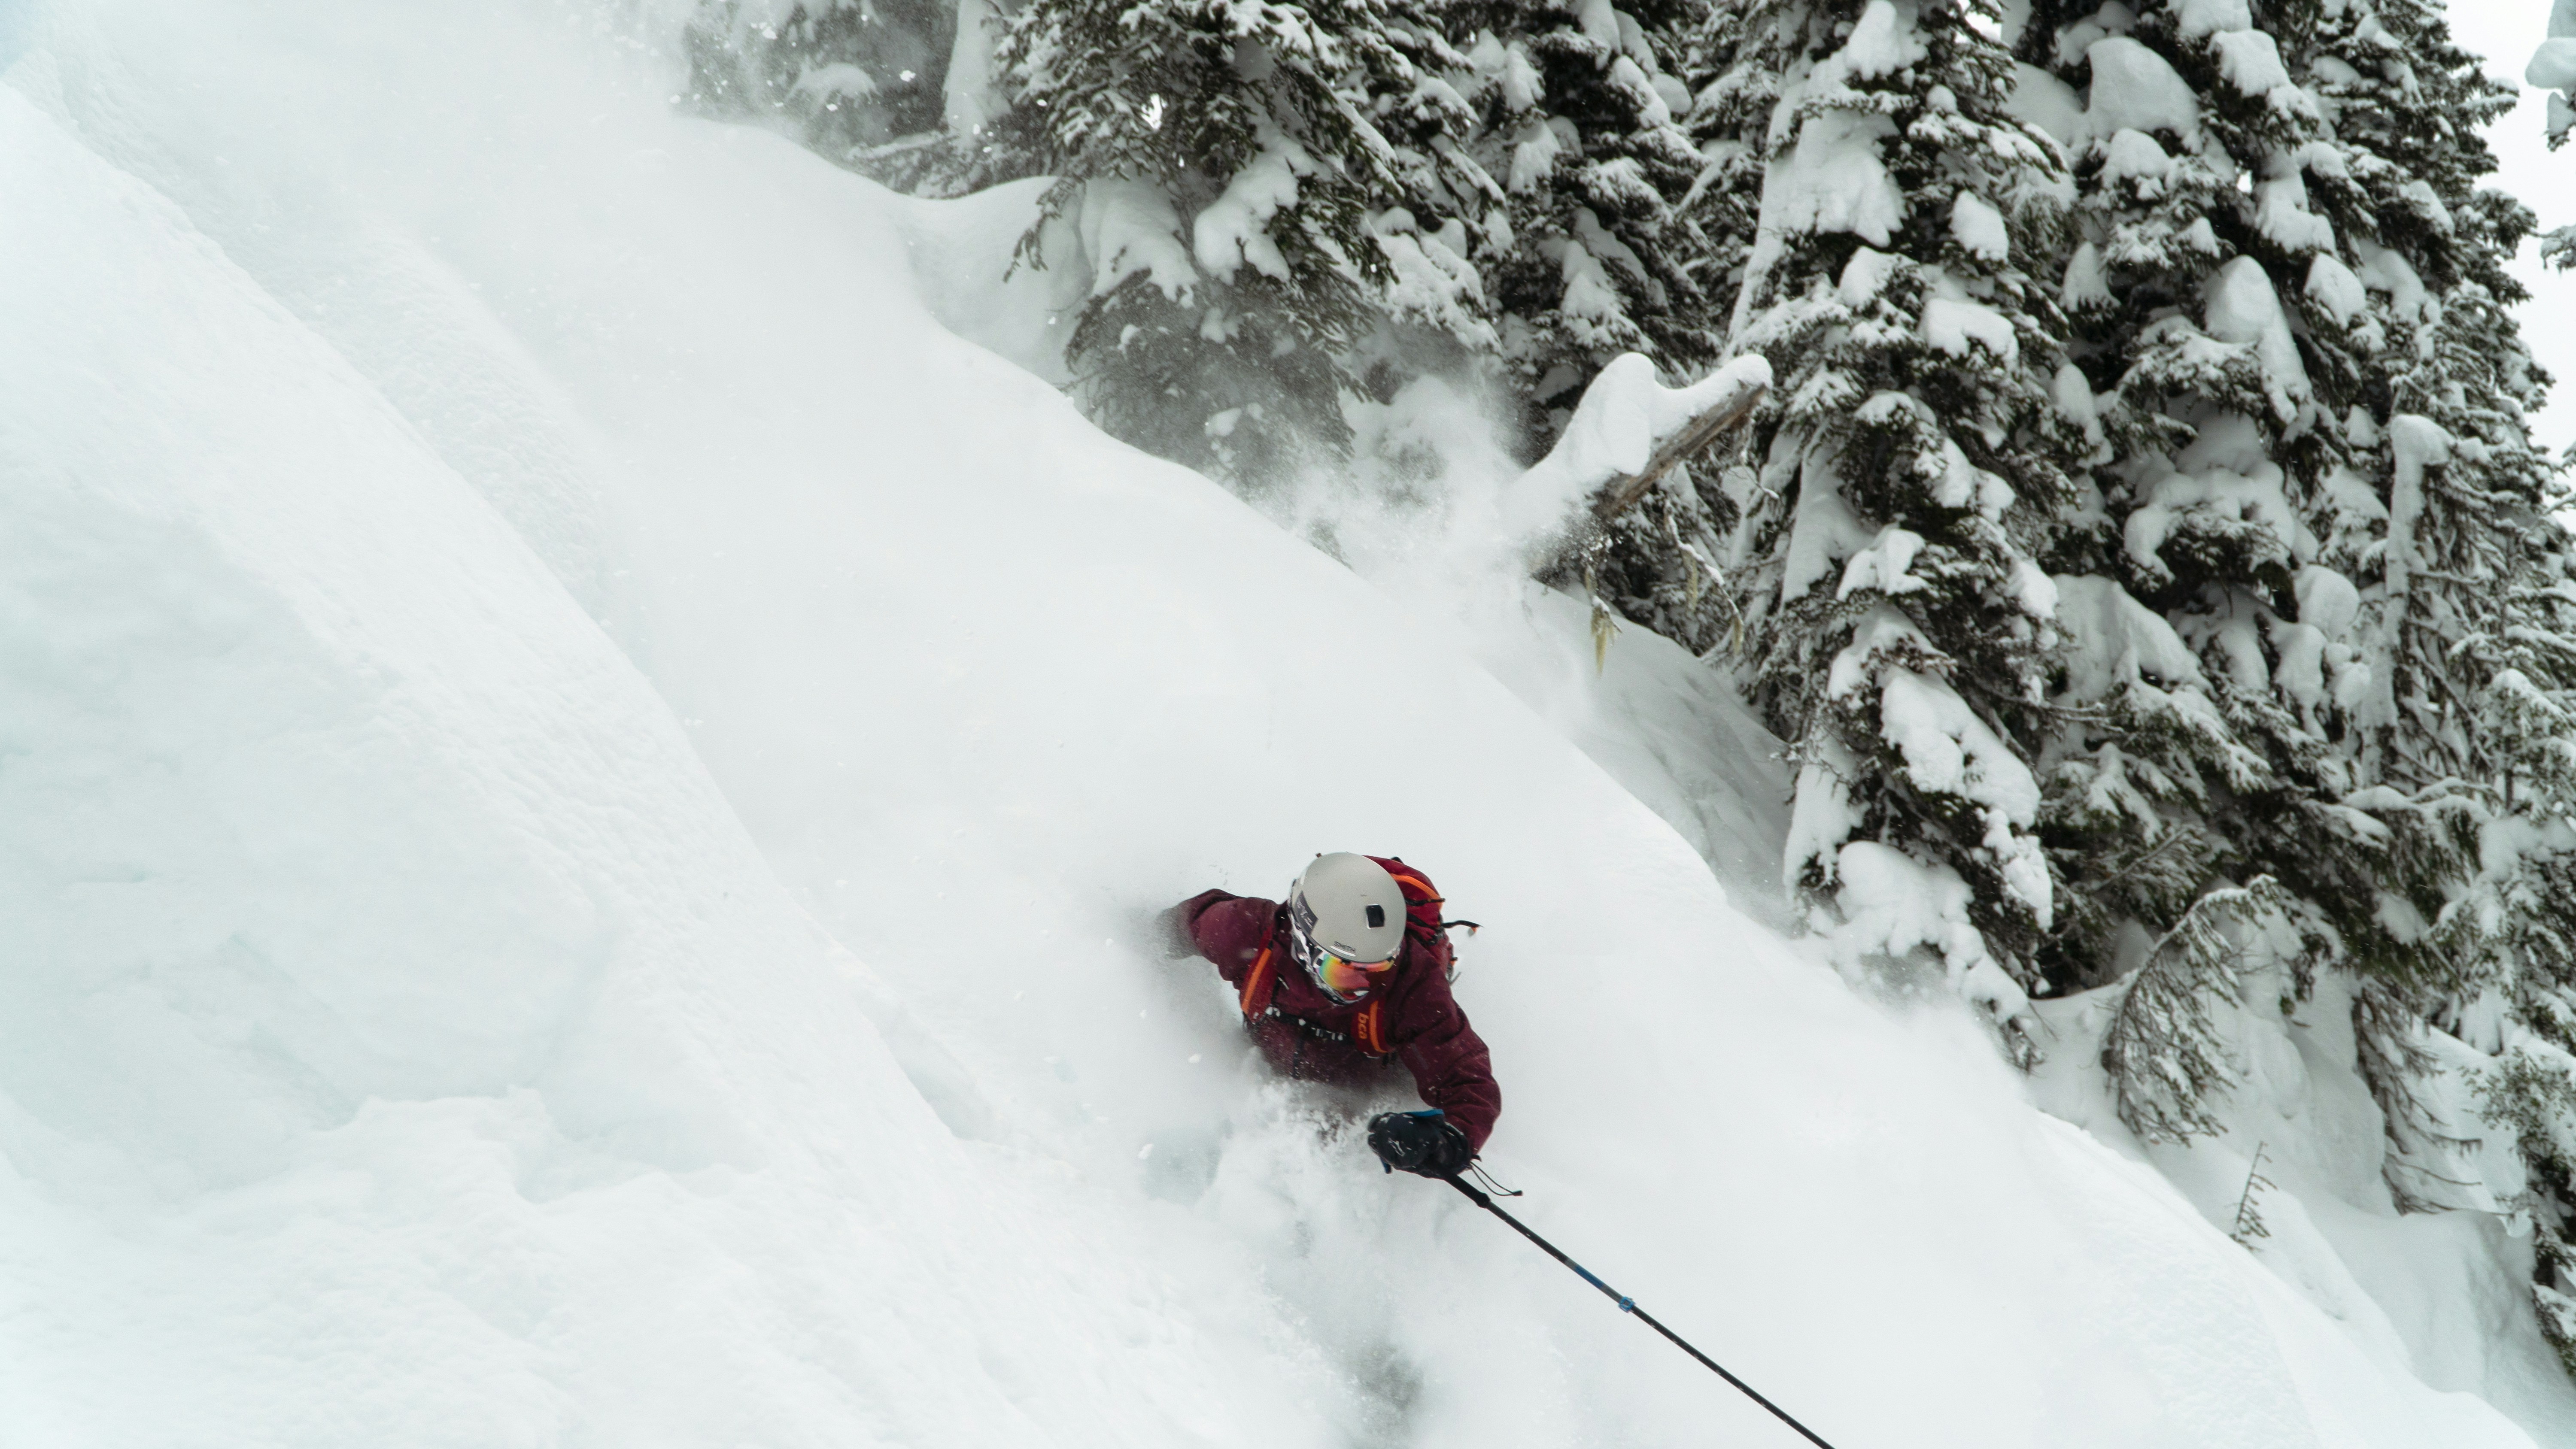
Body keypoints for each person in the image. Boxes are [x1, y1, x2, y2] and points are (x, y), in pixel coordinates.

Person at [1170, 852, 1497, 1177]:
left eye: (1378, 970)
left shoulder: (1412, 983)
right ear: (1304, 945)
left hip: (1366, 1084)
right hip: (1279, 1057)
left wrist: (1447, 1143)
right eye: (1344, 971)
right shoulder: (1242, 933)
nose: (1363, 986)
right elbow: (1176, 928)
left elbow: (1467, 1078)